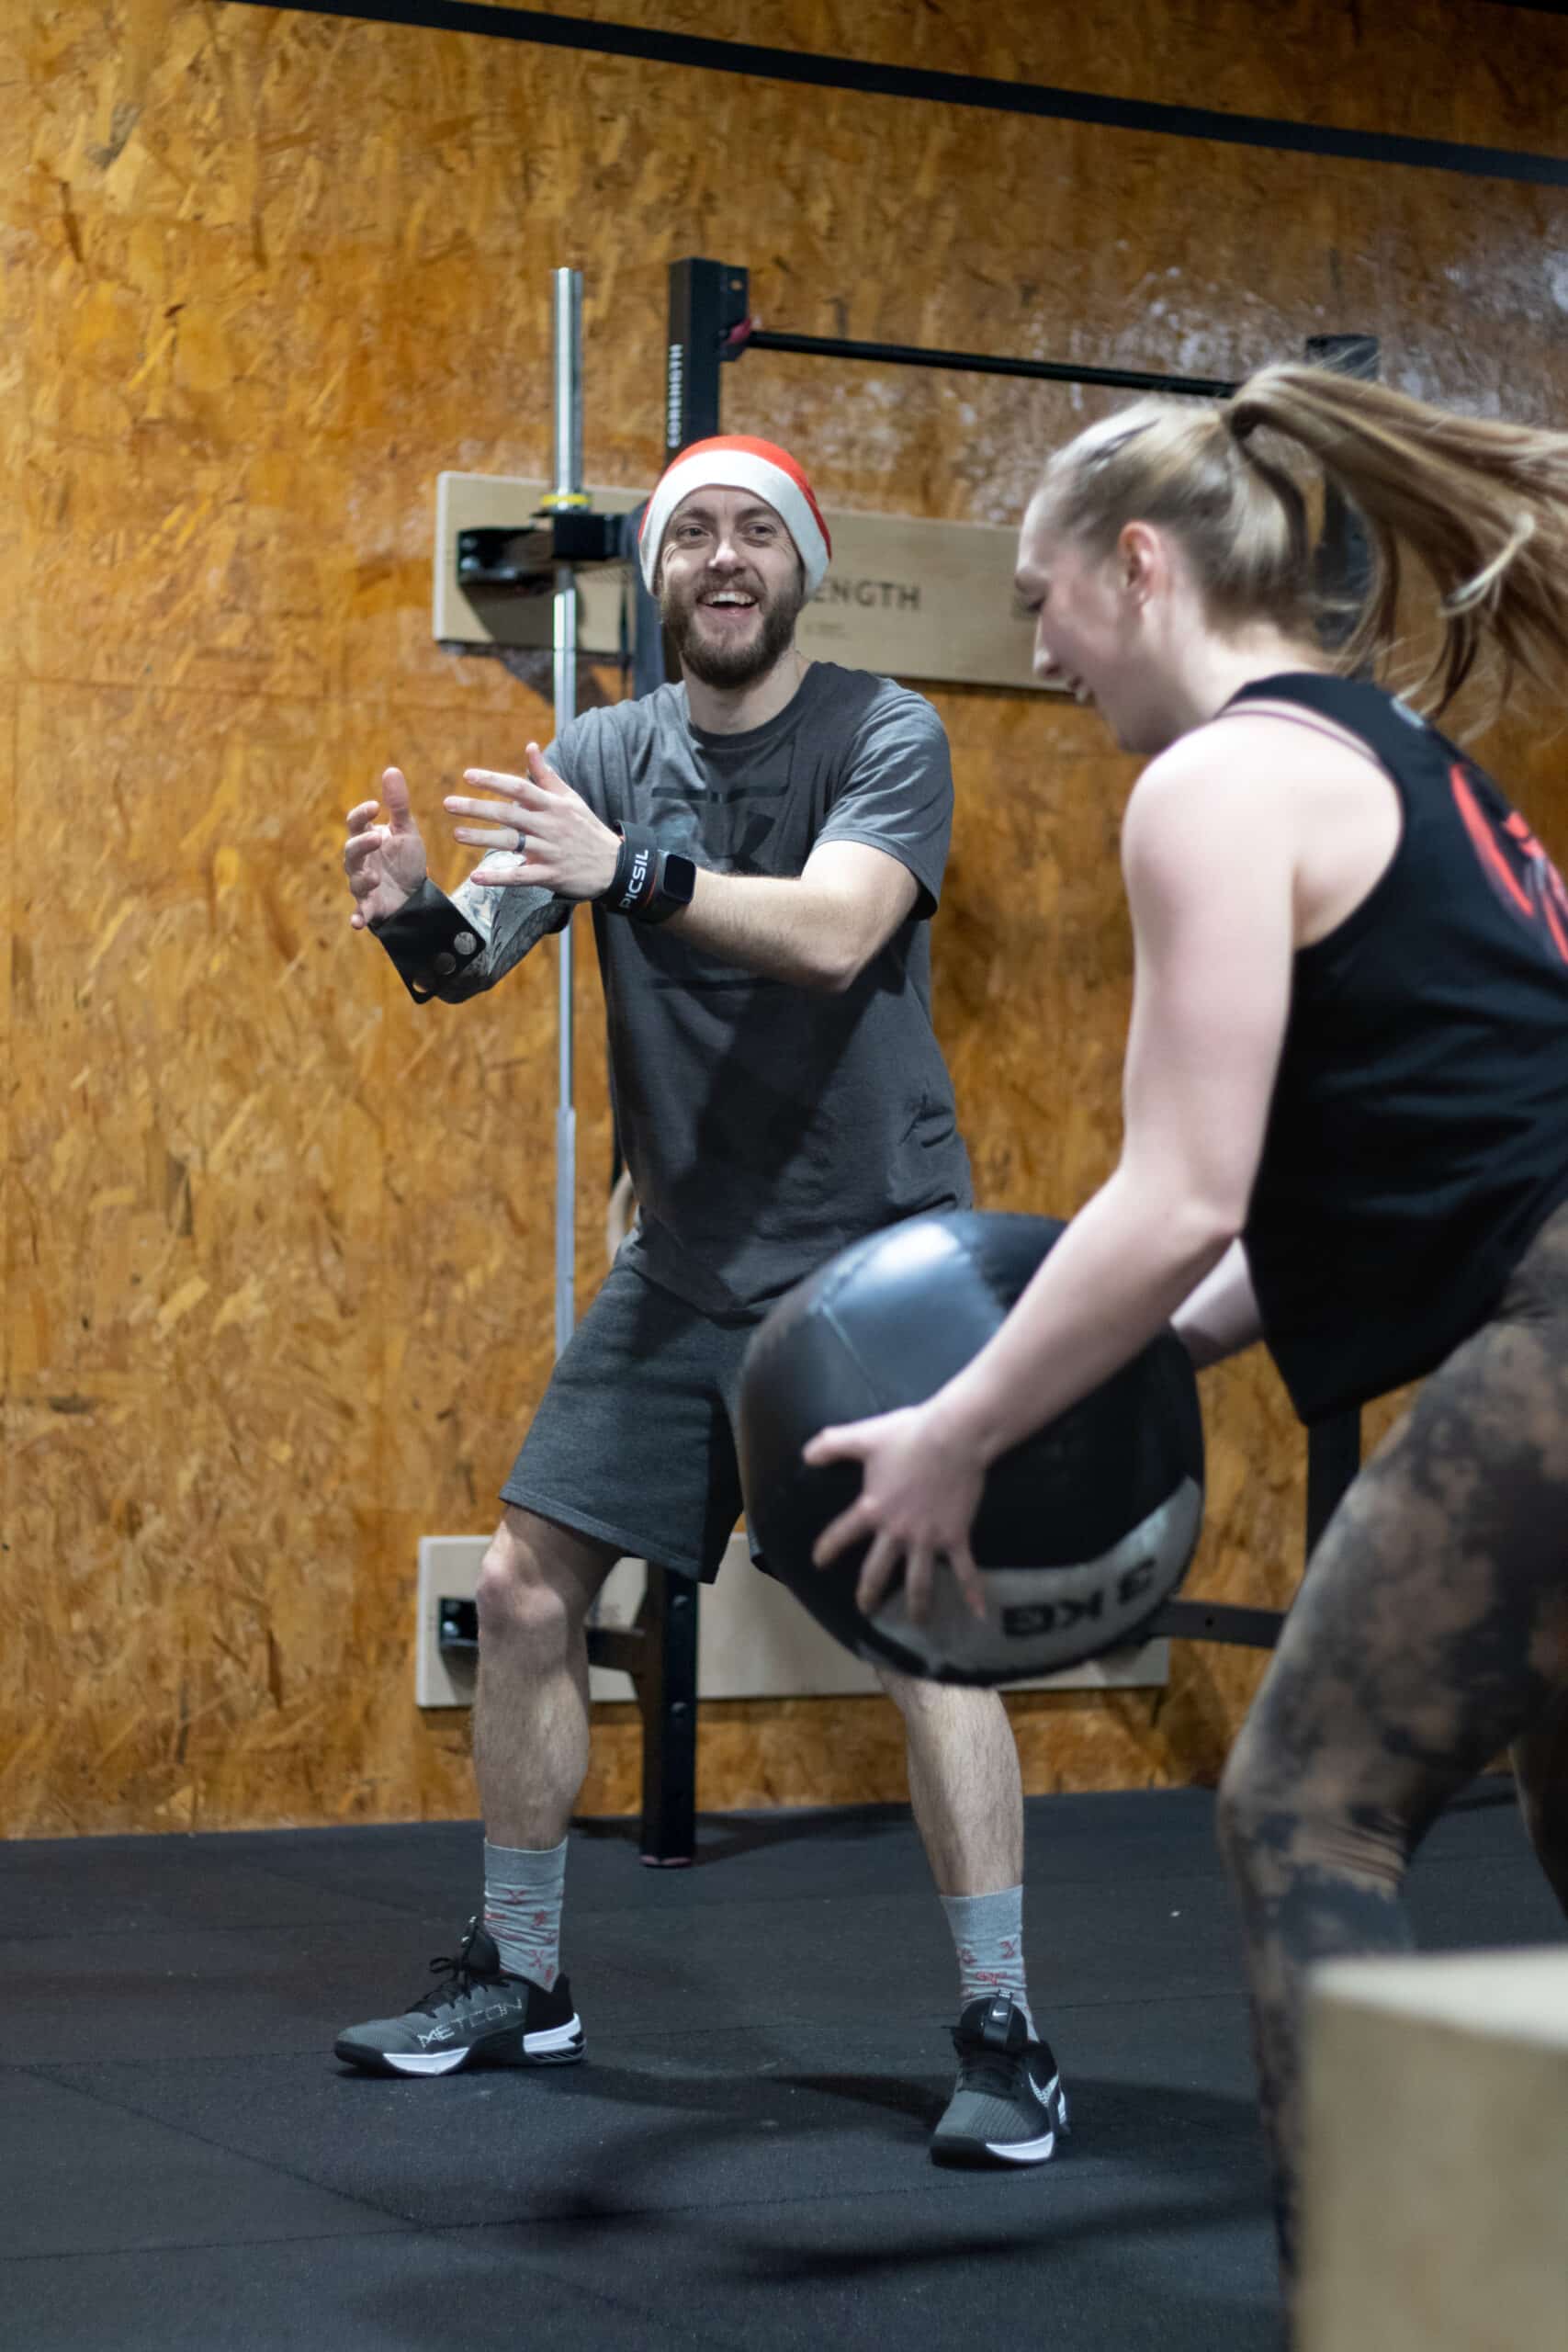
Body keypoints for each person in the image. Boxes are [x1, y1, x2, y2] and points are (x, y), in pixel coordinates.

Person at [806, 369, 1568, 2278]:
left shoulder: (1214, 783)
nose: (1039, 650)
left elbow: (1173, 1198)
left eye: (1039, 600)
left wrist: (962, 1423)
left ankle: (1410, 2306)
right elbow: (1304, 1223)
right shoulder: (1389, 756)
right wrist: (1104, 1364)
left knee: (1305, 1806)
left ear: (1136, 566)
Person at [333, 435, 1068, 2166]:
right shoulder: (601, 752)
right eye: (692, 539)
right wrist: (412, 917)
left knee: (923, 1639)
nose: (722, 561)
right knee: (524, 1592)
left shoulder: (888, 734)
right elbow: (479, 956)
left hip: (874, 1263)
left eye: (755, 534)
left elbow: (833, 932)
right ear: (659, 580)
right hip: (679, 1269)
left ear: (801, 567)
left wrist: (633, 874)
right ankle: (522, 1980)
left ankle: (1005, 2032)